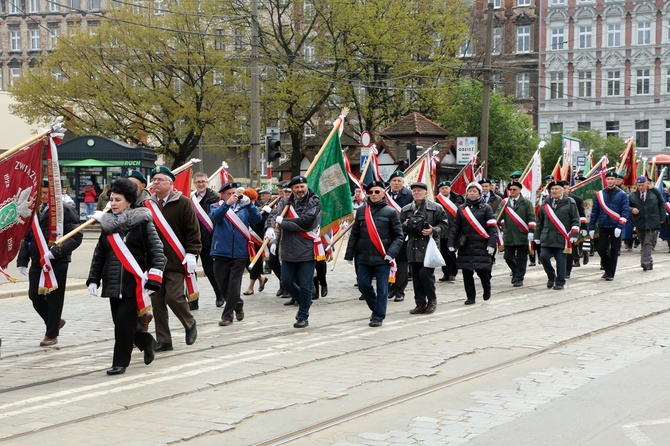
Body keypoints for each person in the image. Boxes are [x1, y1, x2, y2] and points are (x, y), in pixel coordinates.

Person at [87, 178, 166, 375]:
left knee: (123, 324)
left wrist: (155, 278)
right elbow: (100, 255)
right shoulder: (107, 227)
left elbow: (157, 251)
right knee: (122, 323)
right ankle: (146, 341)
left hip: (135, 283)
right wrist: (93, 278)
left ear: (129, 202)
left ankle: (120, 362)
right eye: (111, 199)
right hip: (113, 283)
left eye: (118, 200)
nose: (113, 203)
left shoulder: (142, 223)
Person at [17, 180, 83, 346]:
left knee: (55, 298)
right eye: (41, 193)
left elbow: (76, 236)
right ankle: (54, 321)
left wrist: (56, 252)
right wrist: (22, 260)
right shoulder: (33, 211)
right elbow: (28, 237)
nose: (44, 197)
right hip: (38, 260)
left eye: (47, 193)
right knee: (34, 295)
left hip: (57, 260)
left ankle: (51, 334)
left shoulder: (65, 210)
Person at [146, 166, 200, 351]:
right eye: (154, 179)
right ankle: (164, 340)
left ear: (171, 183)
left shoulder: (183, 202)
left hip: (176, 260)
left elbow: (193, 230)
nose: (156, 183)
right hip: (154, 262)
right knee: (157, 302)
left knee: (174, 297)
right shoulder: (148, 205)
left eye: (160, 179)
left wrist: (192, 252)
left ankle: (189, 323)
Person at [345, 180, 403, 327]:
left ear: (383, 193)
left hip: (383, 256)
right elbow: (355, 234)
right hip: (363, 256)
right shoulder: (361, 211)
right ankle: (376, 308)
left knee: (382, 289)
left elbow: (399, 236)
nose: (373, 194)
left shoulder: (391, 212)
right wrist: (349, 254)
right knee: (363, 285)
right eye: (370, 192)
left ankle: (378, 316)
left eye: (377, 192)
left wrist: (391, 254)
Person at [266, 175, 322, 328]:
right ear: (291, 189)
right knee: (286, 282)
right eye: (296, 187)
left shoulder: (314, 201)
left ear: (306, 186)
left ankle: (303, 315)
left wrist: (283, 223)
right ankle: (305, 301)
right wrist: (270, 228)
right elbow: (273, 216)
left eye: (302, 186)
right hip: (288, 250)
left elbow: (307, 222)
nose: (299, 190)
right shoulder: (285, 201)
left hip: (306, 250)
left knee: (305, 286)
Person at [210, 183, 262, 326]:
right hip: (221, 251)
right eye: (229, 193)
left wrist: (250, 205)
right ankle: (238, 304)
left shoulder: (244, 207)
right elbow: (215, 218)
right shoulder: (216, 206)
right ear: (222, 195)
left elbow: (257, 219)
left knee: (234, 285)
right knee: (222, 285)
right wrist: (226, 205)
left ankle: (227, 316)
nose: (233, 195)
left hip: (240, 252)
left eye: (234, 193)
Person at [401, 182, 449, 314]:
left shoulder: (436, 208)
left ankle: (432, 300)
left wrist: (433, 230)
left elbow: (445, 225)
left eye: (419, 191)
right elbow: (399, 228)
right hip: (413, 246)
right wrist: (405, 226)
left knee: (425, 274)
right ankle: (420, 303)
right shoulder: (406, 209)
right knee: (416, 276)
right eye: (414, 191)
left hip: (429, 246)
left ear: (426, 193)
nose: (417, 193)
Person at [448, 182, 497, 305]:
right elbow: (456, 228)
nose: (472, 193)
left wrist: (491, 244)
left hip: (482, 244)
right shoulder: (462, 209)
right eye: (470, 191)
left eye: (475, 191)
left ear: (479, 193)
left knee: (482, 271)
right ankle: (471, 297)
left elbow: (492, 228)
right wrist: (452, 243)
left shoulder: (486, 208)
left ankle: (487, 288)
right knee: (466, 272)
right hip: (466, 245)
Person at [535, 180, 580, 290]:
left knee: (561, 260)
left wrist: (574, 234)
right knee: (544, 257)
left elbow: (575, 219)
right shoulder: (545, 203)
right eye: (552, 189)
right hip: (547, 237)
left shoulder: (570, 202)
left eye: (556, 189)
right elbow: (540, 221)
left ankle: (560, 282)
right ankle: (551, 276)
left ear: (562, 190)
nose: (554, 191)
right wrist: (537, 236)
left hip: (562, 238)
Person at [589, 172, 630, 281]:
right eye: (608, 179)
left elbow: (625, 211)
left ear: (616, 180)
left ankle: (611, 273)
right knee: (601, 248)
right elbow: (594, 212)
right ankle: (608, 268)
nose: (610, 181)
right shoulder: (600, 194)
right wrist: (592, 227)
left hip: (616, 225)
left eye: (612, 179)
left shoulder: (622, 194)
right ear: (606, 180)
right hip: (603, 225)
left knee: (614, 250)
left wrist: (620, 226)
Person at [191, 172, 223, 309]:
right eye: (198, 182)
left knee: (209, 270)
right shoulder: (190, 198)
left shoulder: (214, 198)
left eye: (203, 181)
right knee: (191, 271)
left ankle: (219, 295)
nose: (201, 184)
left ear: (207, 182)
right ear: (194, 183)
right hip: (192, 240)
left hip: (208, 239)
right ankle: (193, 300)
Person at [499, 179, 535, 287]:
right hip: (509, 234)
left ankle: (519, 278)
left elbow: (531, 218)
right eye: (510, 189)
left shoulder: (526, 203)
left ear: (520, 190)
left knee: (521, 259)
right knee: (508, 257)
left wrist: (531, 231)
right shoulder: (504, 203)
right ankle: (516, 272)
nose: (512, 191)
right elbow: (498, 214)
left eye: (514, 189)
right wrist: (499, 221)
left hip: (521, 234)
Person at [386, 170, 413, 302]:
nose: (396, 183)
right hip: (387, 234)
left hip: (403, 234)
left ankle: (400, 291)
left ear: (403, 182)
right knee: (389, 262)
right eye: (394, 181)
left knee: (402, 265)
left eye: (399, 181)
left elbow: (414, 212)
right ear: (390, 182)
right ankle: (390, 288)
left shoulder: (409, 195)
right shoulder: (384, 195)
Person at [629, 176, 665, 271]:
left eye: (643, 185)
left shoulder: (654, 193)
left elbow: (662, 203)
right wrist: (632, 209)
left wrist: (662, 218)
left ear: (647, 184)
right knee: (643, 241)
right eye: (639, 185)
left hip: (653, 221)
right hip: (640, 222)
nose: (641, 187)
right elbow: (626, 206)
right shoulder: (632, 195)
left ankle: (644, 262)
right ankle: (649, 261)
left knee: (648, 242)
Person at [435, 180, 463, 283]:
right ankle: (445, 273)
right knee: (443, 253)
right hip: (441, 231)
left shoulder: (458, 198)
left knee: (450, 252)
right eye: (442, 188)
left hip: (453, 230)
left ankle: (452, 273)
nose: (444, 190)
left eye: (446, 188)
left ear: (450, 188)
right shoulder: (436, 200)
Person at [562, 181, 587, 278]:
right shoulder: (553, 200)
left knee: (570, 249)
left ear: (569, 188)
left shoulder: (576, 199)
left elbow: (581, 214)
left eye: (565, 188)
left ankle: (567, 271)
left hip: (572, 228)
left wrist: (583, 227)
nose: (564, 190)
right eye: (562, 187)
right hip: (558, 229)